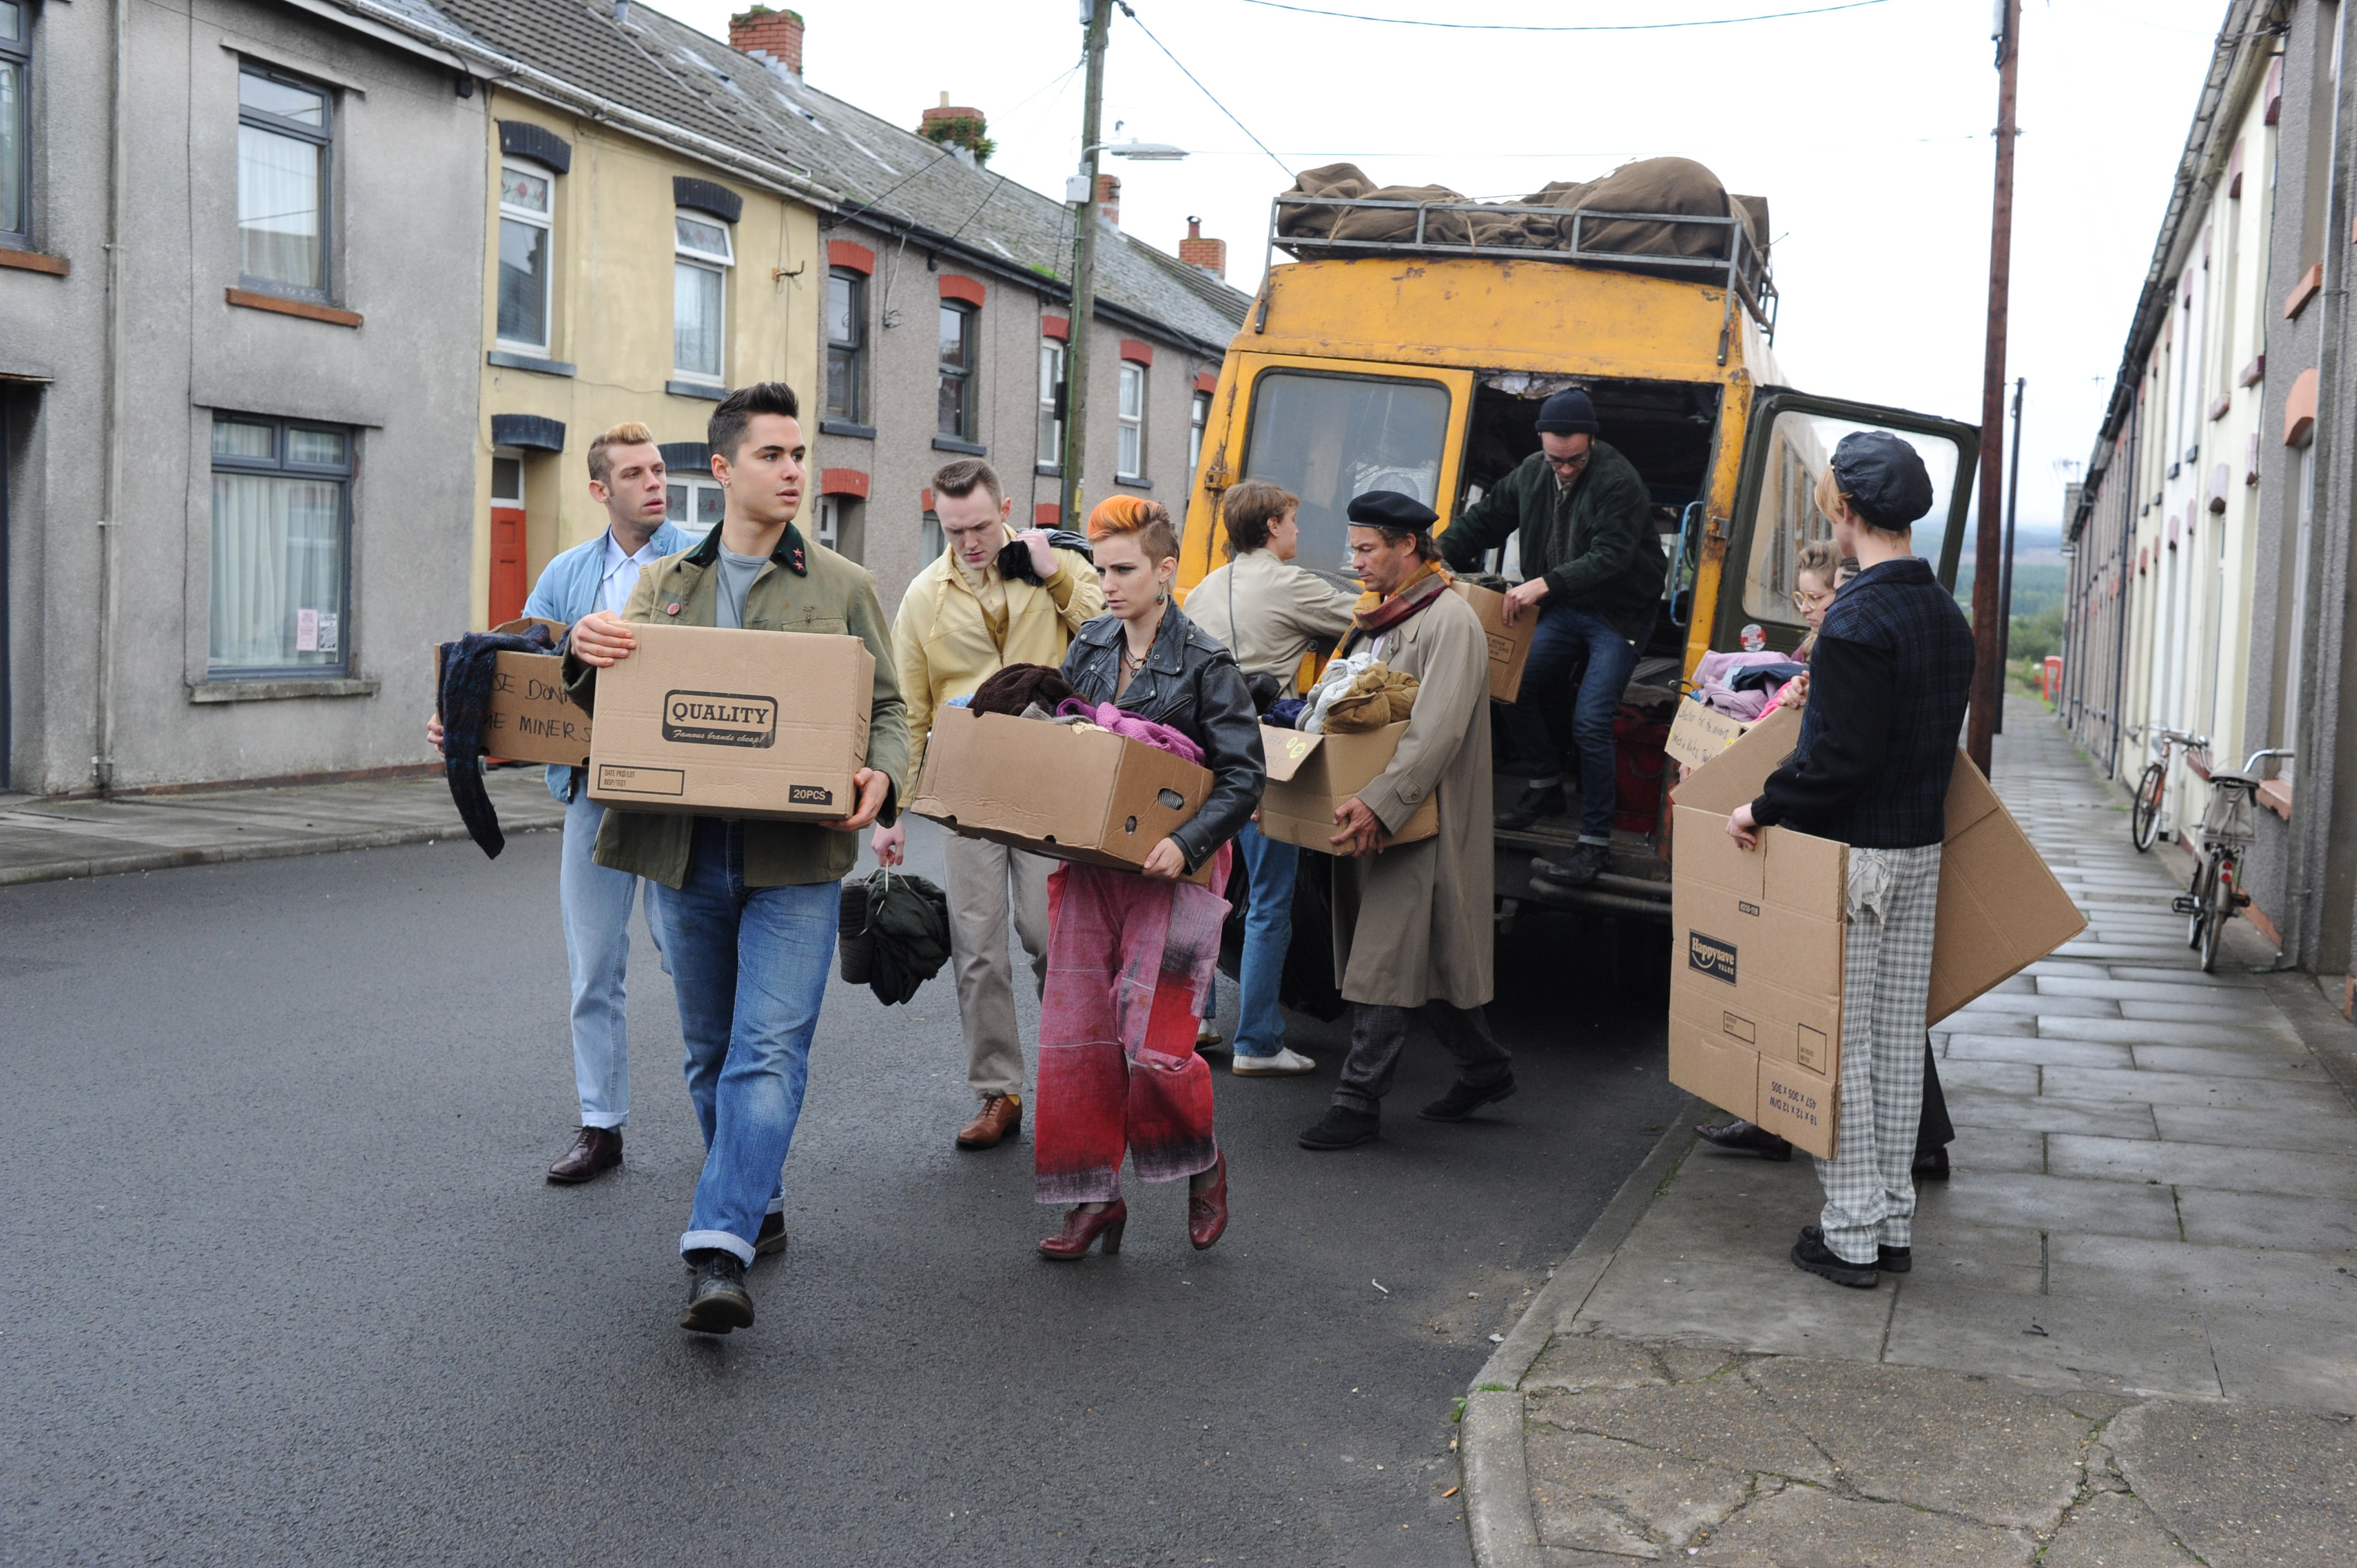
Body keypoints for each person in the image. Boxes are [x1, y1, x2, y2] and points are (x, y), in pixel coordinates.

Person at [563, 382, 908, 1333]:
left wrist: (883, 774)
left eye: (800, 455)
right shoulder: (664, 585)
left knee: (766, 1048)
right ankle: (756, 1196)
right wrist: (583, 652)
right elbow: (615, 713)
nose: (794, 470)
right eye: (773, 455)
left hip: (794, 859)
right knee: (710, 1052)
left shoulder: (843, 586)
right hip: (683, 856)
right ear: (722, 470)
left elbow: (888, 708)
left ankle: (718, 1248)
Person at [1724, 432, 1972, 1290]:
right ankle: (1893, 1223)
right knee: (1898, 1043)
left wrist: (1759, 807)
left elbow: (1837, 763)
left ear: (1844, 510)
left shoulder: (1857, 620)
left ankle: (1851, 1233)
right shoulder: (1946, 615)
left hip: (1856, 859)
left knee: (1839, 1047)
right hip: (1919, 851)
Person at [426, 422, 688, 1185]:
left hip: (676, 799)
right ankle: (601, 1126)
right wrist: (458, 715)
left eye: (658, 469)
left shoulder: (701, 560)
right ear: (600, 490)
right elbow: (511, 663)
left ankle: (729, 1121)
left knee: (691, 960)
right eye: (635, 473)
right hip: (591, 795)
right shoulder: (569, 572)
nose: (654, 482)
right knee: (593, 968)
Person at [1032, 496, 1264, 1260]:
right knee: (1077, 1032)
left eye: (1125, 569)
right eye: (1100, 570)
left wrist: (1187, 842)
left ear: (1168, 571)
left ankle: (1203, 1164)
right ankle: (1093, 1202)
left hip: (1178, 873)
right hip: (1097, 864)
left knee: (1156, 1041)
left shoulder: (1208, 662)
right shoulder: (1092, 643)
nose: (1108, 584)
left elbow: (1243, 777)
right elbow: (1069, 747)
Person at [872, 459, 1104, 1152]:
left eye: (979, 525)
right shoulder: (922, 596)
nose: (970, 541)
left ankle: (1077, 1073)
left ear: (1004, 506)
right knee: (977, 951)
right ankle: (997, 1093)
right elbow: (907, 710)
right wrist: (895, 813)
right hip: (965, 789)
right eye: (953, 529)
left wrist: (1055, 572)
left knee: (1047, 935)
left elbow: (1110, 631)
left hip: (1047, 778)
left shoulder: (1054, 565)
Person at [1298, 491, 1513, 1152]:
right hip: (1380, 811)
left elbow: (1437, 733)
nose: (1353, 560)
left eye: (1366, 549)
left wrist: (1378, 803)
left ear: (1408, 547)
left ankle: (1357, 1101)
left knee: (1383, 960)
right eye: (1354, 547)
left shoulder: (1450, 621)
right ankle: (1484, 1068)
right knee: (1425, 959)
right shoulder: (1376, 616)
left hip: (1421, 817)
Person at [1439, 388, 1664, 888]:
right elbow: (1485, 520)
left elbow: (1612, 557)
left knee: (1591, 720)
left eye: (1575, 460)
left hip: (1618, 613)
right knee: (1508, 683)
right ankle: (1544, 786)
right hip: (1565, 605)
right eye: (1555, 460)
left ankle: (1595, 845)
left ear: (1592, 445)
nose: (1564, 470)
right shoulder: (1531, 473)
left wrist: (1543, 585)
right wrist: (1434, 558)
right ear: (1542, 447)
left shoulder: (1618, 480)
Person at [1182, 480, 1358, 1077]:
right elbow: (1368, 617)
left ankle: (1197, 1020)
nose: (1298, 531)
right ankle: (1257, 1041)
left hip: (1199, 754)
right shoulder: (1290, 584)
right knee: (1267, 901)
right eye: (1292, 521)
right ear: (1271, 528)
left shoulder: (1203, 589)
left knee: (1203, 894)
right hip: (1261, 756)